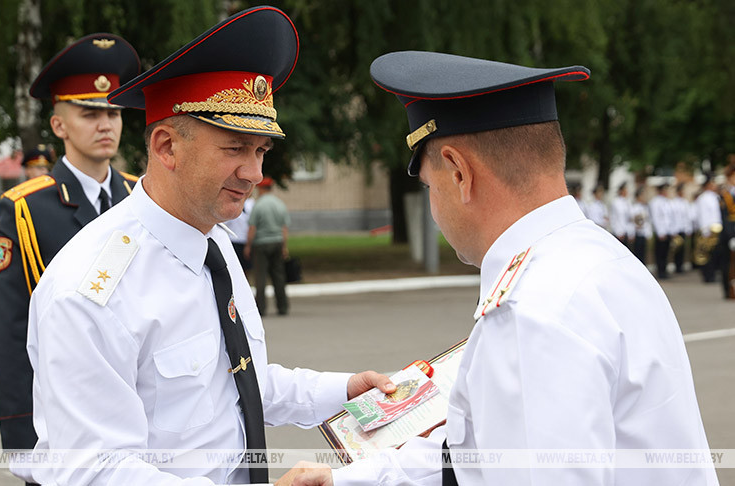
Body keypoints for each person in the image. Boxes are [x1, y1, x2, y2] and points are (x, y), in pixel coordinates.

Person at [278, 51, 717, 486]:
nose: (433, 206)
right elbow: (478, 448)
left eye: (430, 185)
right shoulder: (599, 258)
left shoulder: (531, 310)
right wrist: (350, 479)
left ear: (459, 172)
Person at [25, 8, 394, 485]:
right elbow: (96, 471)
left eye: (261, 151)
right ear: (165, 147)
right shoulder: (90, 289)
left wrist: (345, 391)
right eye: (234, 148)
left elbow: (238, 381)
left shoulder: (213, 246)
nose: (254, 174)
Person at [0, 33, 141, 484]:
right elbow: (11, 332)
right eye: (89, 113)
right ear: (58, 126)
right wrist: (21, 439)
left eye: (113, 112)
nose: (105, 124)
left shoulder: (143, 196)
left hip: (141, 408)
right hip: (64, 418)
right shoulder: (25, 209)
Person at [245, 177, 291, 316]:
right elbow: (284, 228)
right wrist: (284, 246)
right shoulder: (280, 204)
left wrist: (248, 245)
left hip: (261, 244)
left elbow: (252, 227)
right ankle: (282, 307)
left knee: (261, 276)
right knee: (278, 275)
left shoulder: (258, 205)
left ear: (261, 188)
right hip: (277, 242)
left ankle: (261, 308)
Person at [648, 182, 673, 279]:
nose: (666, 192)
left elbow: (669, 218)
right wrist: (660, 232)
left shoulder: (667, 202)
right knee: (660, 253)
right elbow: (656, 218)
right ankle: (660, 272)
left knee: (666, 252)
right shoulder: (655, 202)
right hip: (661, 232)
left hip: (667, 231)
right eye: (664, 190)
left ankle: (664, 270)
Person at [718, 162, 735, 299]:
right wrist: (730, 236)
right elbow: (725, 218)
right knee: (727, 264)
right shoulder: (725, 196)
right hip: (728, 235)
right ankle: (727, 290)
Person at [224, 195, 255, 270]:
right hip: (234, 240)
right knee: (234, 266)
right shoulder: (232, 204)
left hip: (246, 240)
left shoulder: (252, 204)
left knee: (246, 267)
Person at [671, 183, 692, 273]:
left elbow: (687, 216)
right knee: (676, 249)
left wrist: (688, 228)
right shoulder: (673, 203)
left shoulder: (685, 202)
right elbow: (672, 217)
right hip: (676, 229)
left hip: (683, 228)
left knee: (683, 248)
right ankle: (676, 265)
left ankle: (680, 266)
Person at [609, 182, 634, 249]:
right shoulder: (615, 202)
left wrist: (631, 233)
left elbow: (630, 219)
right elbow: (614, 218)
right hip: (619, 233)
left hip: (626, 232)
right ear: (621, 191)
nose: (626, 191)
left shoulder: (628, 202)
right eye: (625, 189)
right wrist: (618, 232)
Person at [631, 187, 652, 265]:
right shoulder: (634, 207)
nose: (644, 197)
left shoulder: (644, 207)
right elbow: (635, 221)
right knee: (638, 254)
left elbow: (647, 221)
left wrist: (648, 233)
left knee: (643, 254)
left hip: (643, 233)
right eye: (643, 195)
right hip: (637, 233)